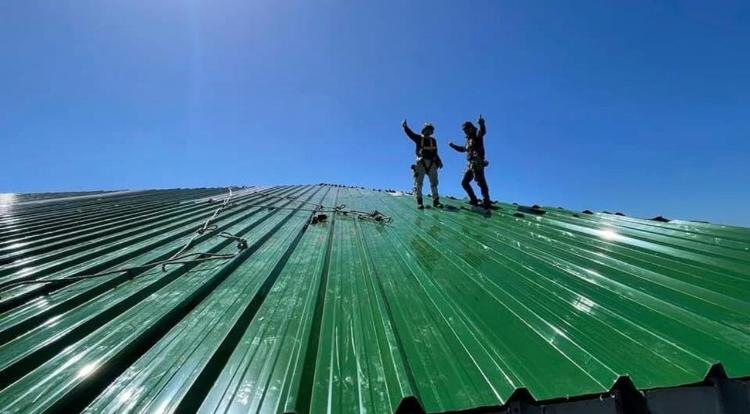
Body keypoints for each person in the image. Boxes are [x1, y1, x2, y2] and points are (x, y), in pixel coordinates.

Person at [449, 114, 491, 209]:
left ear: (471, 128)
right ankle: (473, 199)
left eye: (467, 129)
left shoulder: (477, 135)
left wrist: (482, 124)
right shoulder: (468, 140)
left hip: (478, 162)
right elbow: (463, 149)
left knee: (481, 182)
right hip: (470, 164)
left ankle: (486, 201)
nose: (466, 131)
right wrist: (453, 146)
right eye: (464, 130)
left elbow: (482, 131)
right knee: (464, 182)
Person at [402, 119, 443, 209]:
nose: (429, 131)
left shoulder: (433, 140)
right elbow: (411, 134)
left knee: (434, 183)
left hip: (432, 164)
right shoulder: (419, 138)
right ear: (424, 130)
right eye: (427, 129)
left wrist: (439, 161)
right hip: (421, 163)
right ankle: (419, 202)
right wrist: (405, 127)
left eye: (430, 130)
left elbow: (435, 152)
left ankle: (436, 201)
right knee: (419, 183)